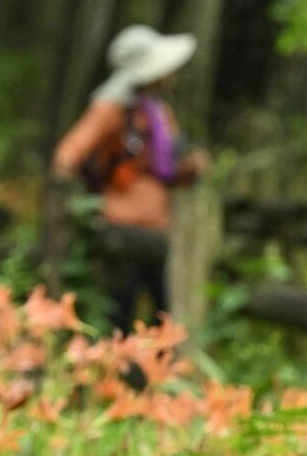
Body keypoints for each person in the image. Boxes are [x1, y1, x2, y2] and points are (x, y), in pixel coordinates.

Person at [52, 24, 209, 332]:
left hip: (158, 233)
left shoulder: (159, 113)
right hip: (121, 233)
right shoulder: (112, 109)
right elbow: (67, 156)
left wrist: (191, 168)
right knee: (119, 319)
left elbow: (169, 170)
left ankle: (150, 378)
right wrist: (75, 211)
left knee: (164, 320)